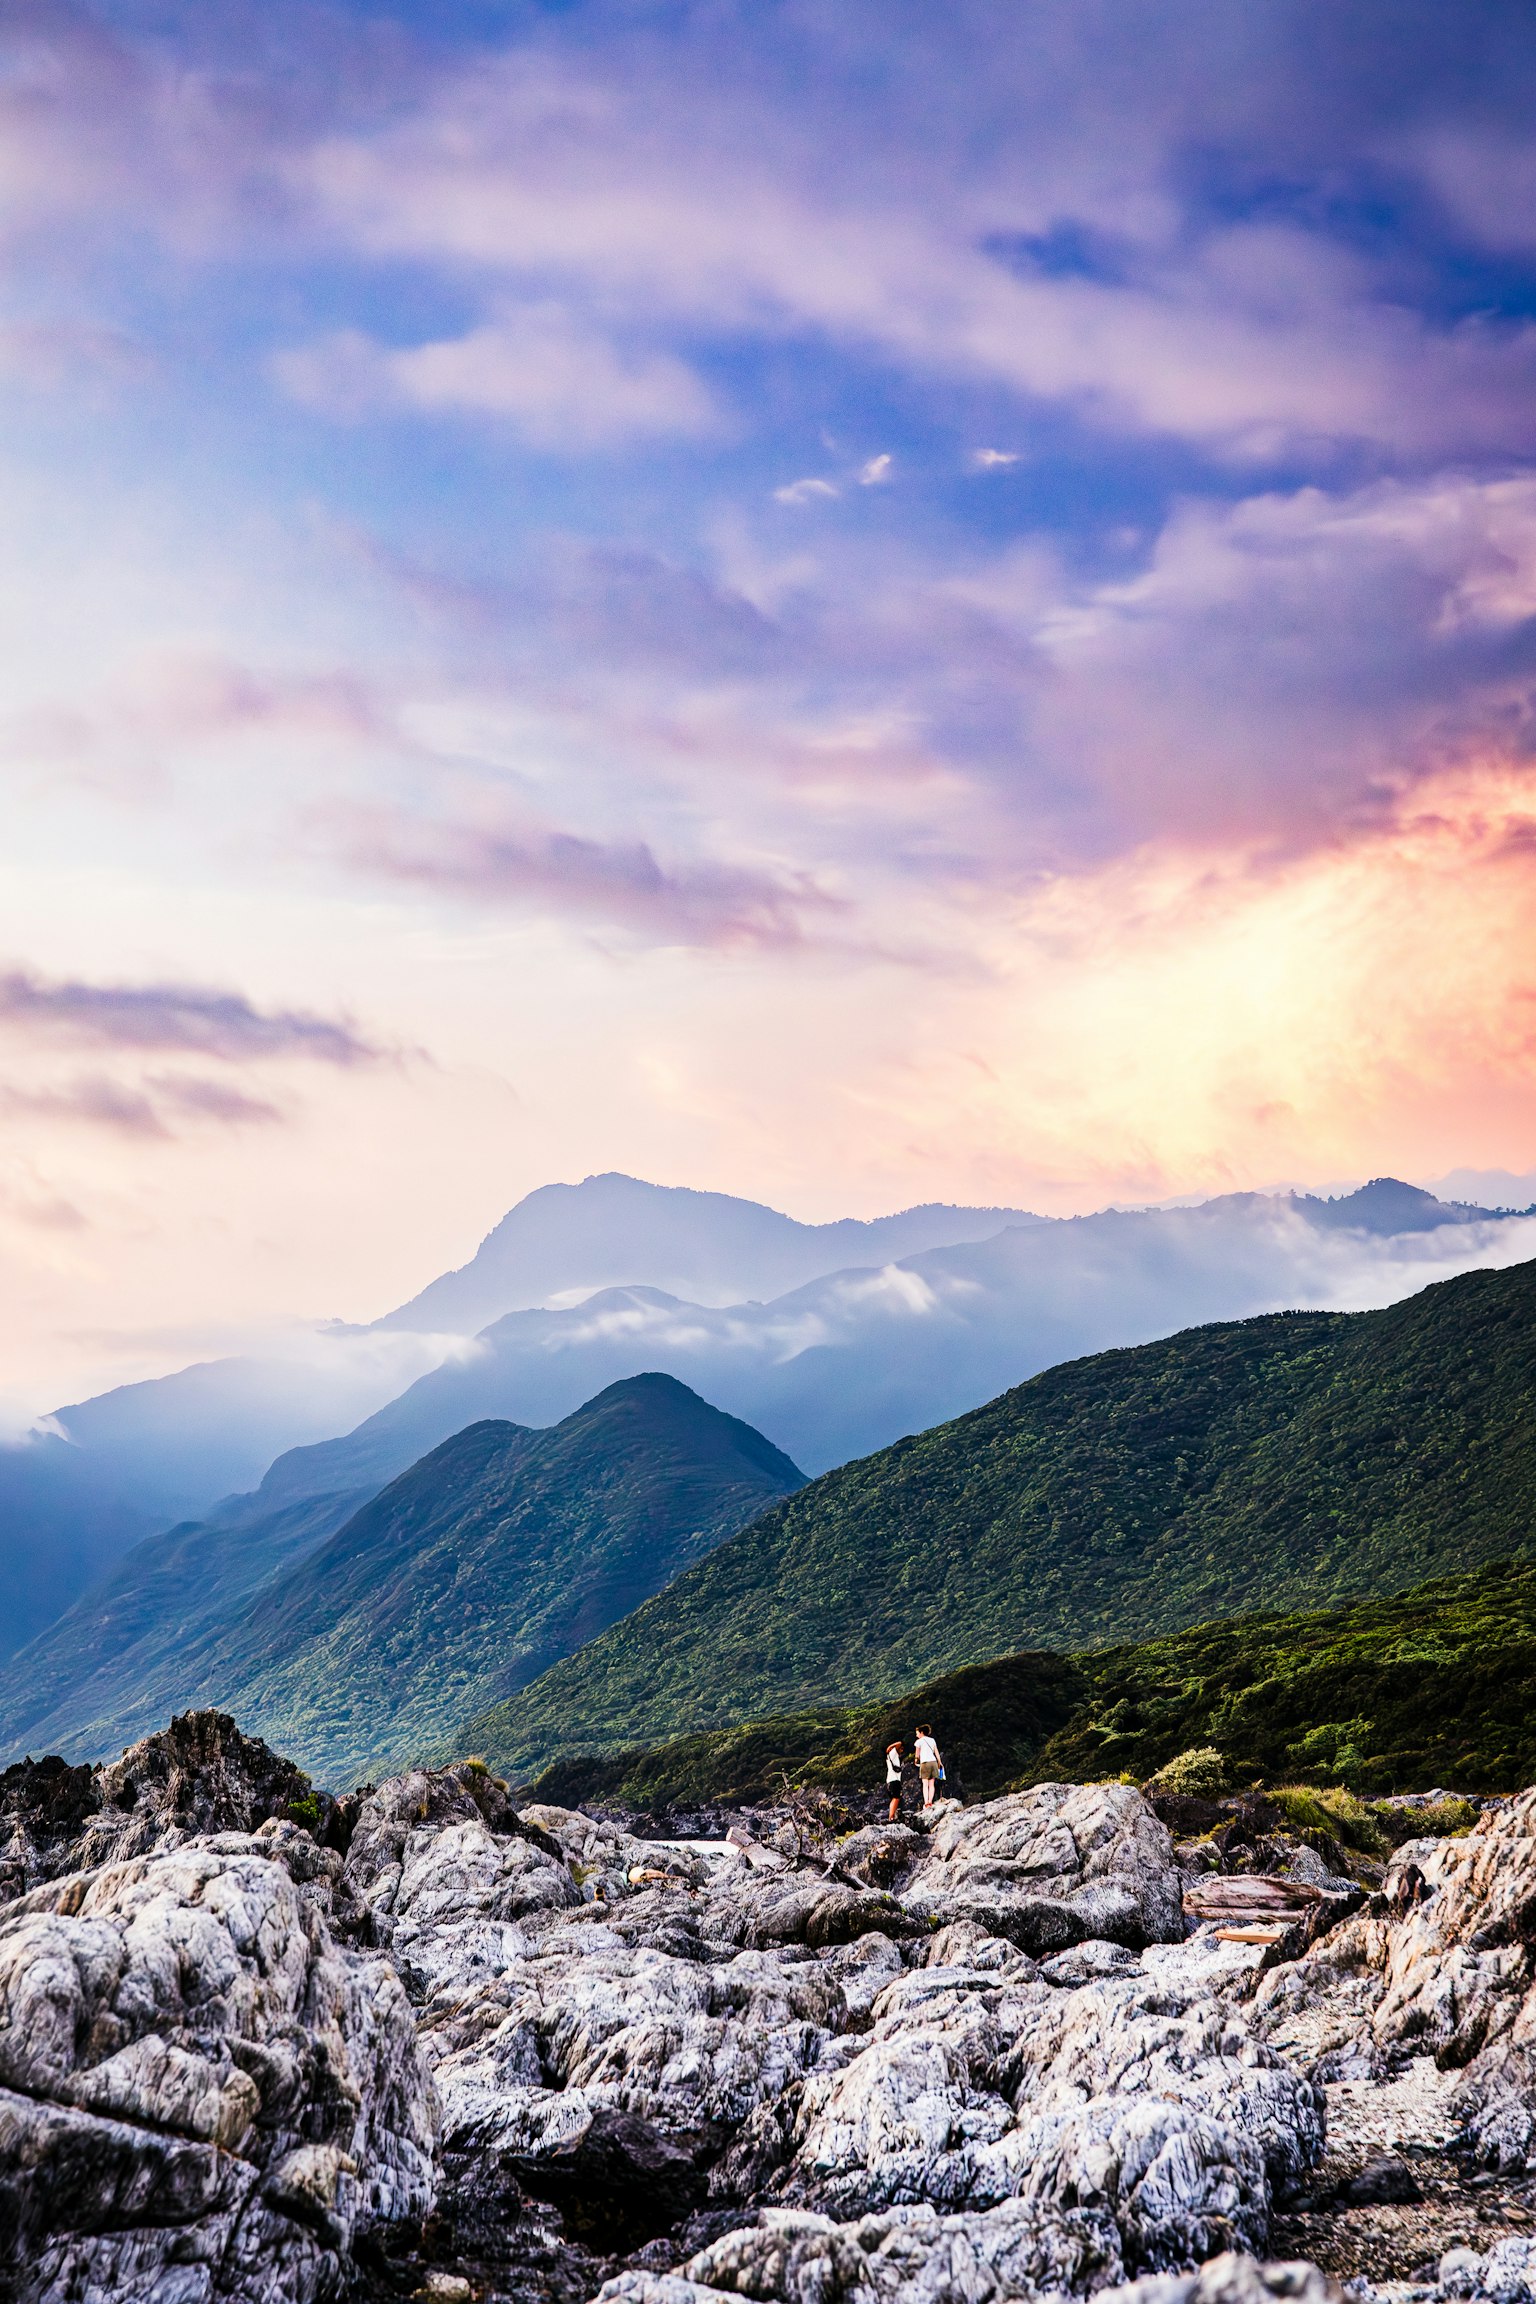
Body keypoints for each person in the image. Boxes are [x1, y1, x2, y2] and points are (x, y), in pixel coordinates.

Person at [914, 1723, 943, 1811]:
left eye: (917, 1733)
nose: (916, 1735)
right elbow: (936, 1752)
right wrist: (940, 1762)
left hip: (925, 1763)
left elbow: (917, 1755)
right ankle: (930, 1801)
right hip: (933, 1762)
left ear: (921, 1732)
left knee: (925, 1784)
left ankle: (926, 1802)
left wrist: (916, 1761)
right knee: (932, 1784)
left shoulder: (919, 1742)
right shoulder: (932, 1740)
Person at [885, 1737, 904, 1821]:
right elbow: (899, 1742)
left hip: (890, 1780)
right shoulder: (893, 1753)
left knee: (894, 1798)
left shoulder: (891, 1756)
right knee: (896, 1798)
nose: (902, 1750)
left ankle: (891, 1816)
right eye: (901, 1749)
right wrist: (890, 1747)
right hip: (894, 1780)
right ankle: (891, 1817)